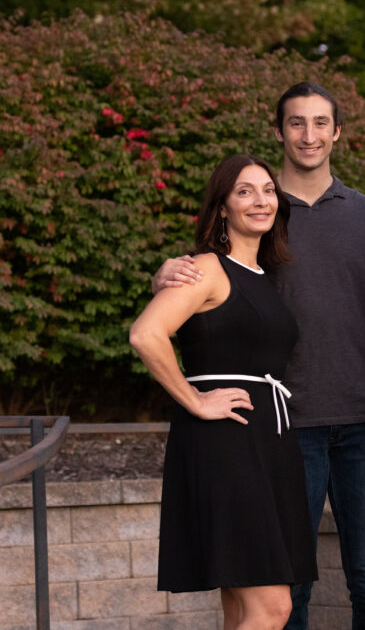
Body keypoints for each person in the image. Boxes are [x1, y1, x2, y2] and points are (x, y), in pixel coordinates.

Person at [154, 82, 365, 629]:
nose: (309, 135)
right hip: (285, 427)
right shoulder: (263, 218)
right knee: (288, 594)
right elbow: (205, 289)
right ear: (279, 131)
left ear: (338, 132)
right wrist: (163, 274)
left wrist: (352, 329)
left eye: (320, 123)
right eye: (296, 123)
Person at [130, 154, 317, 629]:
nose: (261, 200)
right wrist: (194, 399)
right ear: (222, 209)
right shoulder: (207, 268)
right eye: (244, 191)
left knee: (242, 608)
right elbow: (146, 334)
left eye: (269, 190)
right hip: (226, 443)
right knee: (273, 608)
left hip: (266, 442)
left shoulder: (262, 277)